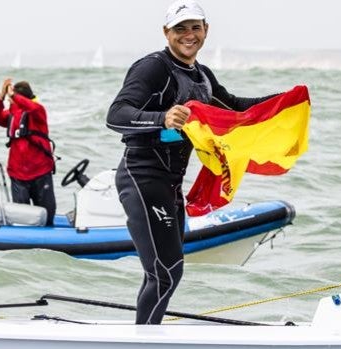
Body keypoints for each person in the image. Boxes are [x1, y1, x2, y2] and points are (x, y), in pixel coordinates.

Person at [106, 0, 277, 324]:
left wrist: (286, 100)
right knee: (167, 270)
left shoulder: (202, 75)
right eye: (180, 28)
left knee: (165, 269)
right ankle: (145, 339)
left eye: (195, 27)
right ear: (166, 32)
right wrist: (163, 117)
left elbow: (235, 108)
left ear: (206, 31)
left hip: (170, 184)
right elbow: (116, 115)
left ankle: (143, 332)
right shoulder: (153, 67)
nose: (189, 35)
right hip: (142, 178)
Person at [0, 79, 57, 226]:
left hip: (41, 171)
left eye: (12, 99)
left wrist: (14, 96)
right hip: (18, 174)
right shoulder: (12, 115)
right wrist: (1, 95)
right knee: (22, 218)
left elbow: (33, 108)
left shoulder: (38, 111)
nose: (10, 101)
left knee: (48, 213)